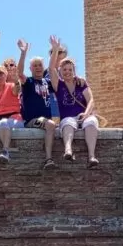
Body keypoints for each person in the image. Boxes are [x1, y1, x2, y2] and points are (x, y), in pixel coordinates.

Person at [49, 36, 99, 167]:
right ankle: (68, 150)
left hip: (83, 115)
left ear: (74, 71)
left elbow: (91, 100)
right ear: (61, 72)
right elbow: (51, 69)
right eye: (64, 70)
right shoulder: (58, 85)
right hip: (68, 117)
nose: (67, 72)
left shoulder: (81, 83)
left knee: (92, 122)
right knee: (67, 123)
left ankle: (92, 156)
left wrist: (87, 114)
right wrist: (55, 50)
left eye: (70, 70)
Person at [16, 39, 57, 169]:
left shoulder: (47, 83)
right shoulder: (28, 82)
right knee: (50, 124)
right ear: (31, 68)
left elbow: (53, 71)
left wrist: (55, 50)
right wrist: (23, 53)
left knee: (51, 124)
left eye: (40, 65)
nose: (38, 68)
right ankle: (49, 159)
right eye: (35, 66)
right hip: (31, 120)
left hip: (45, 120)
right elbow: (19, 74)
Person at [0, 65, 24, 162]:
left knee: (3, 122)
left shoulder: (11, 86)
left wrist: (16, 80)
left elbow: (17, 89)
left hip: (15, 118)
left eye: (0, 74)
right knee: (0, 123)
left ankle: (5, 151)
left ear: (5, 75)